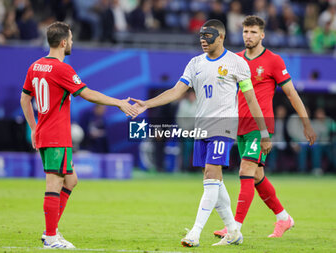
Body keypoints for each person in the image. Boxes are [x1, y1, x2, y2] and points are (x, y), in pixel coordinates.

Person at [131, 19, 272, 247]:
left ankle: (195, 233)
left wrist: (264, 132)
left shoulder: (236, 63)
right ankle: (234, 231)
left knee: (210, 174)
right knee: (214, 181)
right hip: (201, 128)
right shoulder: (195, 63)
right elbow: (176, 91)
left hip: (224, 126)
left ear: (221, 37)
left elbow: (251, 99)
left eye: (208, 37)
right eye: (201, 37)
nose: (203, 41)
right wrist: (147, 104)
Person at [20, 21, 137, 249]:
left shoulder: (35, 66)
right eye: (71, 39)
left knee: (71, 181)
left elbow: (25, 98)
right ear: (63, 42)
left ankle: (51, 231)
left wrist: (34, 127)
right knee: (54, 183)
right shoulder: (62, 69)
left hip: (46, 132)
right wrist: (118, 103)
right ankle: (51, 237)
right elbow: (88, 93)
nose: (72, 42)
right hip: (56, 135)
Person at [214, 15, 316, 239]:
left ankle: (233, 228)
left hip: (261, 128)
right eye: (245, 32)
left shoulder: (273, 60)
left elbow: (291, 93)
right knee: (257, 175)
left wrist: (306, 123)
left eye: (252, 32)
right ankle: (283, 218)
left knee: (245, 171)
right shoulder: (236, 59)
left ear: (262, 35)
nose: (248, 36)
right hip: (240, 125)